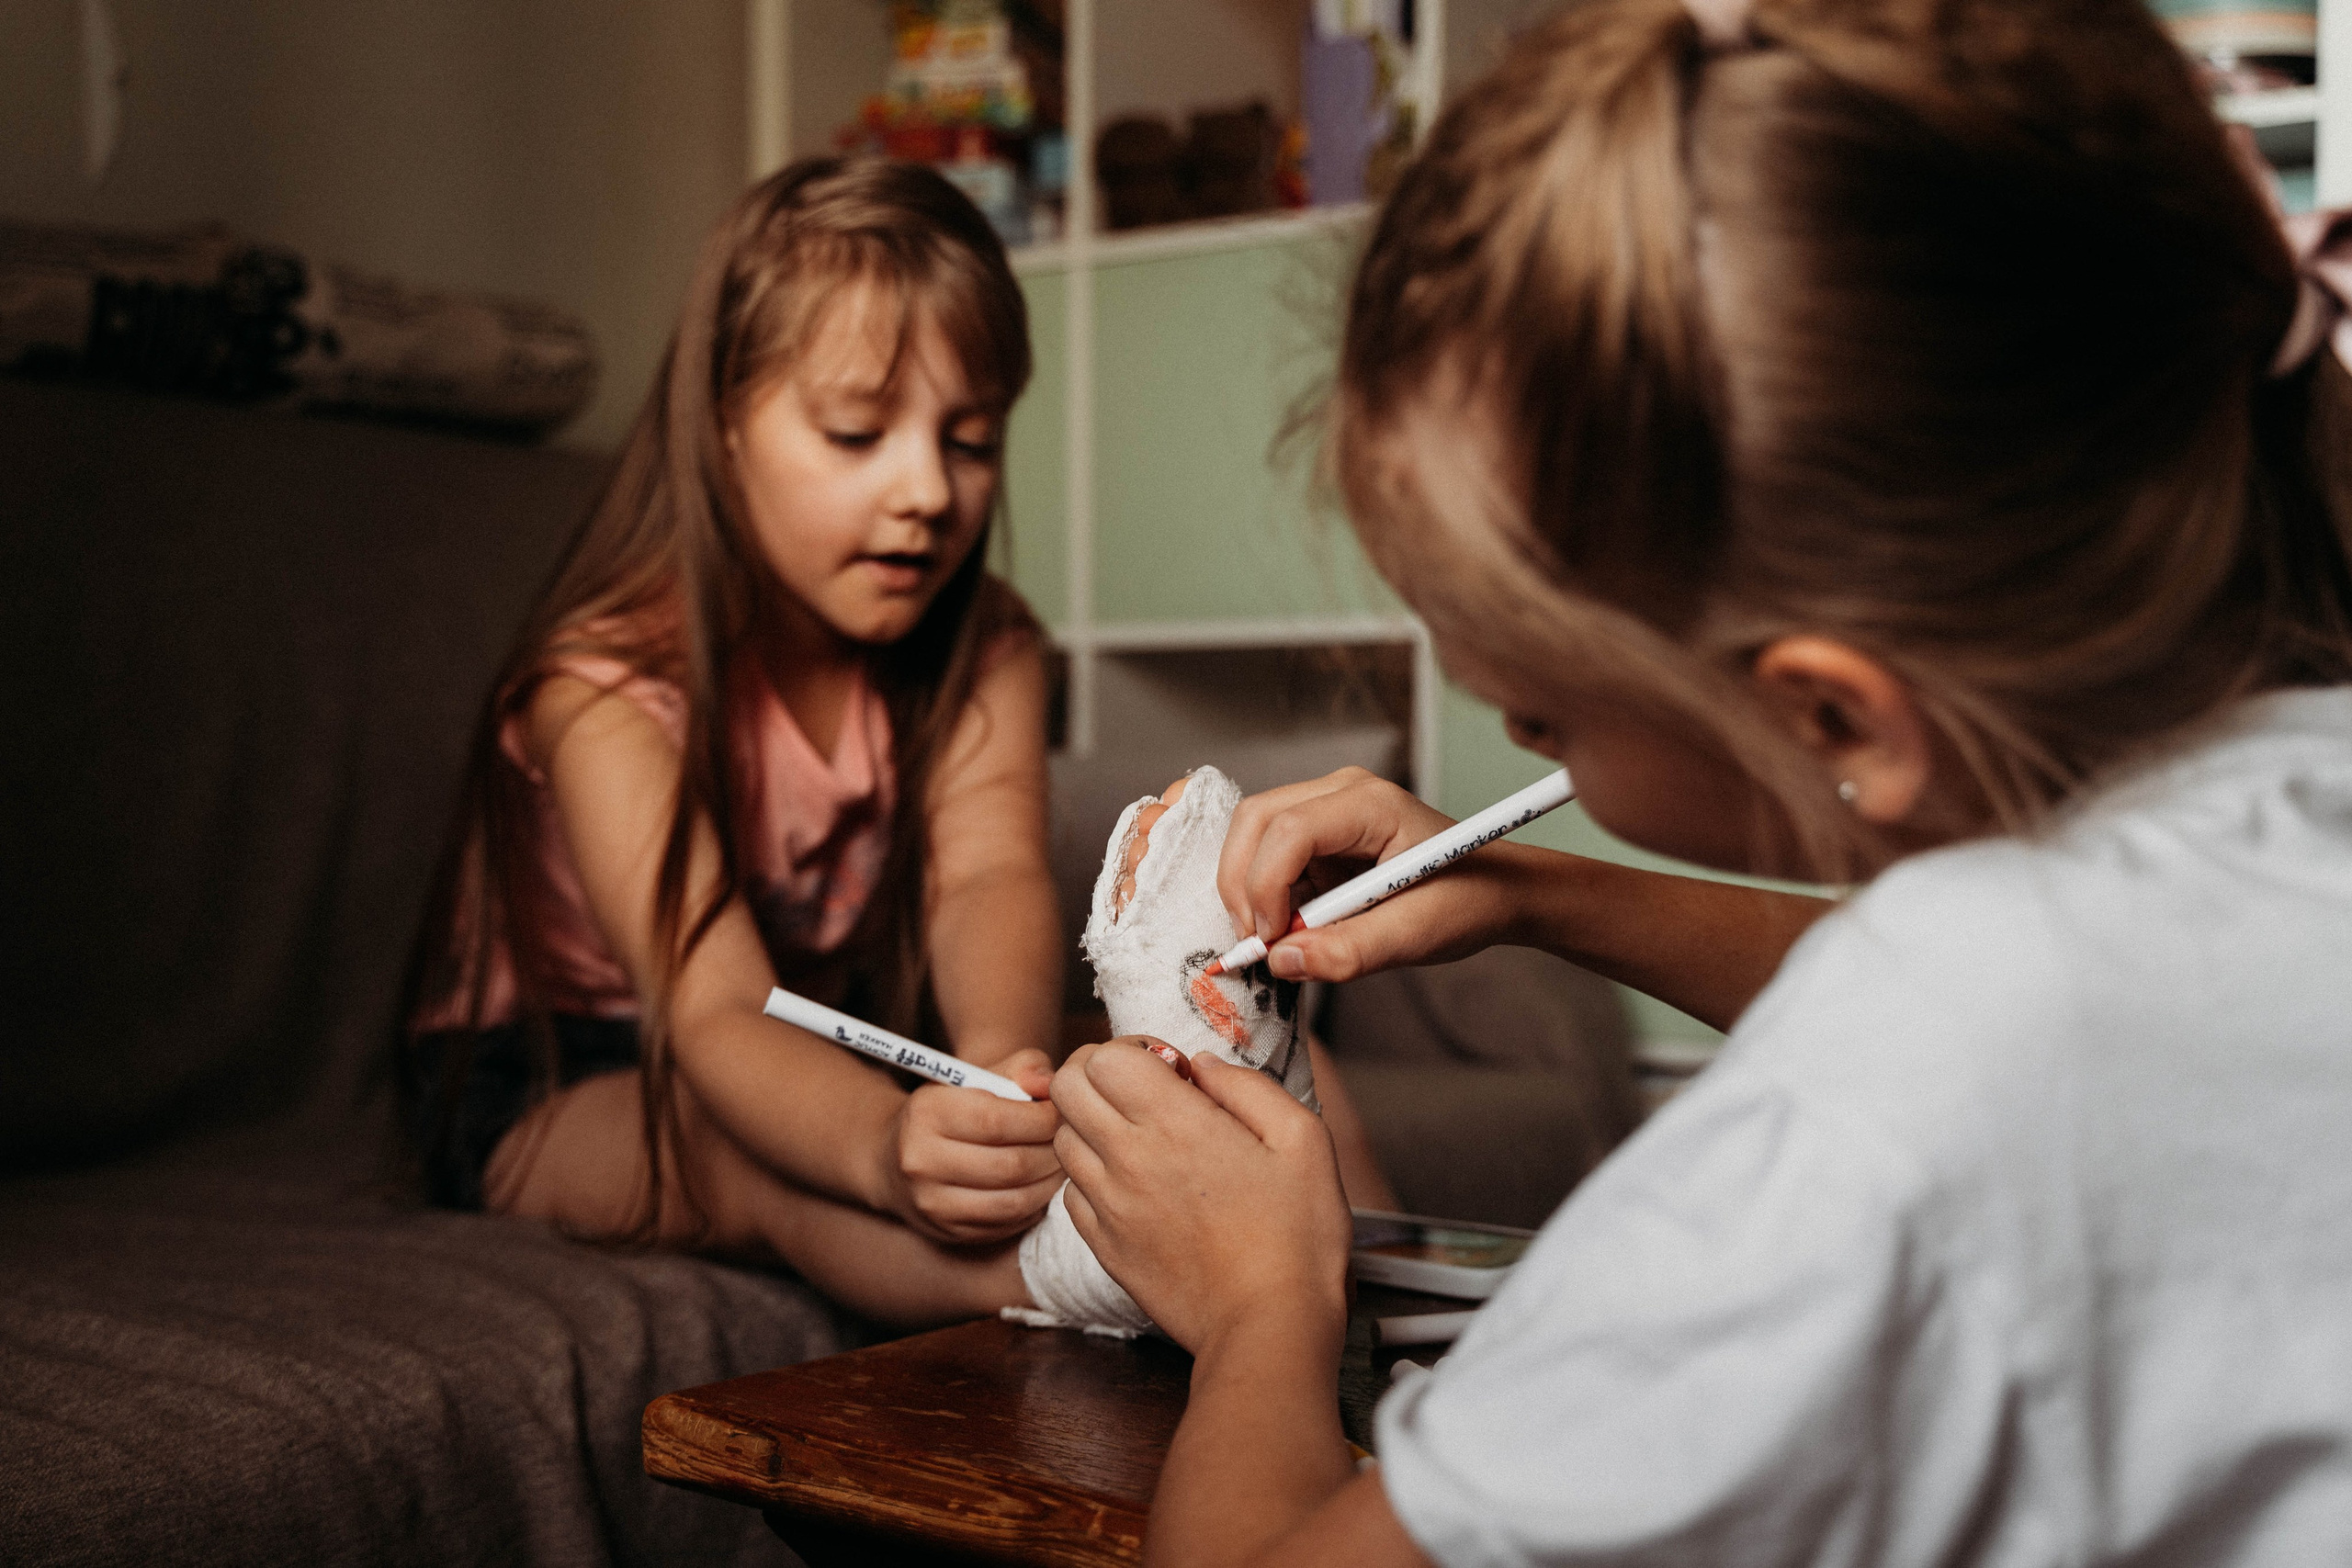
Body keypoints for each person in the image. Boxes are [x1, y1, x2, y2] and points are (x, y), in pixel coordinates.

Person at [1046, 0, 2352, 1559]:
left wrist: (1265, 1302)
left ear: (1835, 719)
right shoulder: (2268, 811)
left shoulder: (1855, 1131)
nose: (1533, 756)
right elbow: (2098, 1005)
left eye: (1541, 720)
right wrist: (1540, 892)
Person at [404, 158, 1063, 1326]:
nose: (926, 490)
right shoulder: (600, 688)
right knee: (751, 1160)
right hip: (559, 1071)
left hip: (823, 1031)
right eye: (858, 433)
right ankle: (1121, 1303)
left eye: (970, 441)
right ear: (722, 430)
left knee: (1200, 1066)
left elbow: (990, 877)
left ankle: (1387, 1365)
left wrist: (1007, 1080)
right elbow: (712, 1009)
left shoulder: (990, 645)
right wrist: (880, 1146)